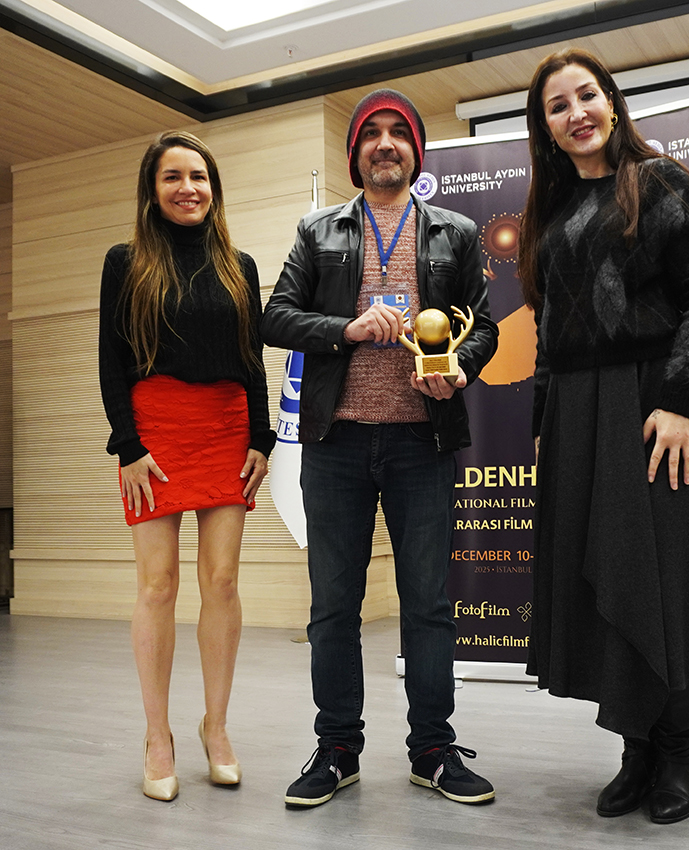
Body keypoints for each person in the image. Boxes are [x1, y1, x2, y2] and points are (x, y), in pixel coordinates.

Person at [518, 49, 689, 824]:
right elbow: (549, 336)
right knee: (608, 578)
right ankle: (636, 749)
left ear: (612, 102)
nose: (576, 112)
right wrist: (544, 424)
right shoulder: (550, 216)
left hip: (654, 408)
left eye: (586, 95)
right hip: (577, 417)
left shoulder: (662, 182)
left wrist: (680, 400)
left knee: (662, 577)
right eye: (558, 106)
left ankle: (680, 751)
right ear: (545, 128)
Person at [262, 89, 499, 807]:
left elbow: (484, 326)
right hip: (334, 444)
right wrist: (345, 328)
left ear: (415, 152)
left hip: (422, 442)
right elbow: (277, 317)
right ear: (355, 153)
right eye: (373, 133)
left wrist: (461, 369)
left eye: (399, 133)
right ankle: (338, 749)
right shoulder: (318, 231)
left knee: (427, 604)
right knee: (333, 607)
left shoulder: (455, 232)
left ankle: (432, 749)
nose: (386, 143)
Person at [98, 131, 275, 801]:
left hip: (227, 427)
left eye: (197, 176)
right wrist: (128, 445)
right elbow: (111, 357)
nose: (187, 188)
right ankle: (157, 736)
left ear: (213, 187)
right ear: (152, 190)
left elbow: (251, 357)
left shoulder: (238, 265)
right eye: (172, 177)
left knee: (222, 581)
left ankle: (215, 727)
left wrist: (262, 437)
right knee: (158, 585)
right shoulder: (126, 261)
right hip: (155, 431)